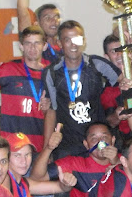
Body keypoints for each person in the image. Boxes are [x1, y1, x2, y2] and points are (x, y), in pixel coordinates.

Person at [0, 25, 53, 197]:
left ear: (45, 46)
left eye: (37, 43)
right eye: (28, 44)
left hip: (37, 149)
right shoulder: (7, 69)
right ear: (20, 46)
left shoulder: (52, 74)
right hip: (11, 150)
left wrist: (49, 109)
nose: (32, 48)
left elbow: (59, 111)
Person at [41, 20, 122, 158]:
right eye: (67, 40)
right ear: (60, 43)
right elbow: (51, 110)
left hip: (97, 141)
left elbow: (124, 81)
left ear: (83, 41)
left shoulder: (96, 63)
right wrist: (46, 150)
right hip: (68, 144)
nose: (73, 44)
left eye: (77, 39)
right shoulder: (52, 72)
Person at [16, 0, 62, 65]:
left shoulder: (65, 45)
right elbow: (23, 12)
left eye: (56, 17)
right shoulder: (35, 46)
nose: (53, 21)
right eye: (47, 18)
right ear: (37, 24)